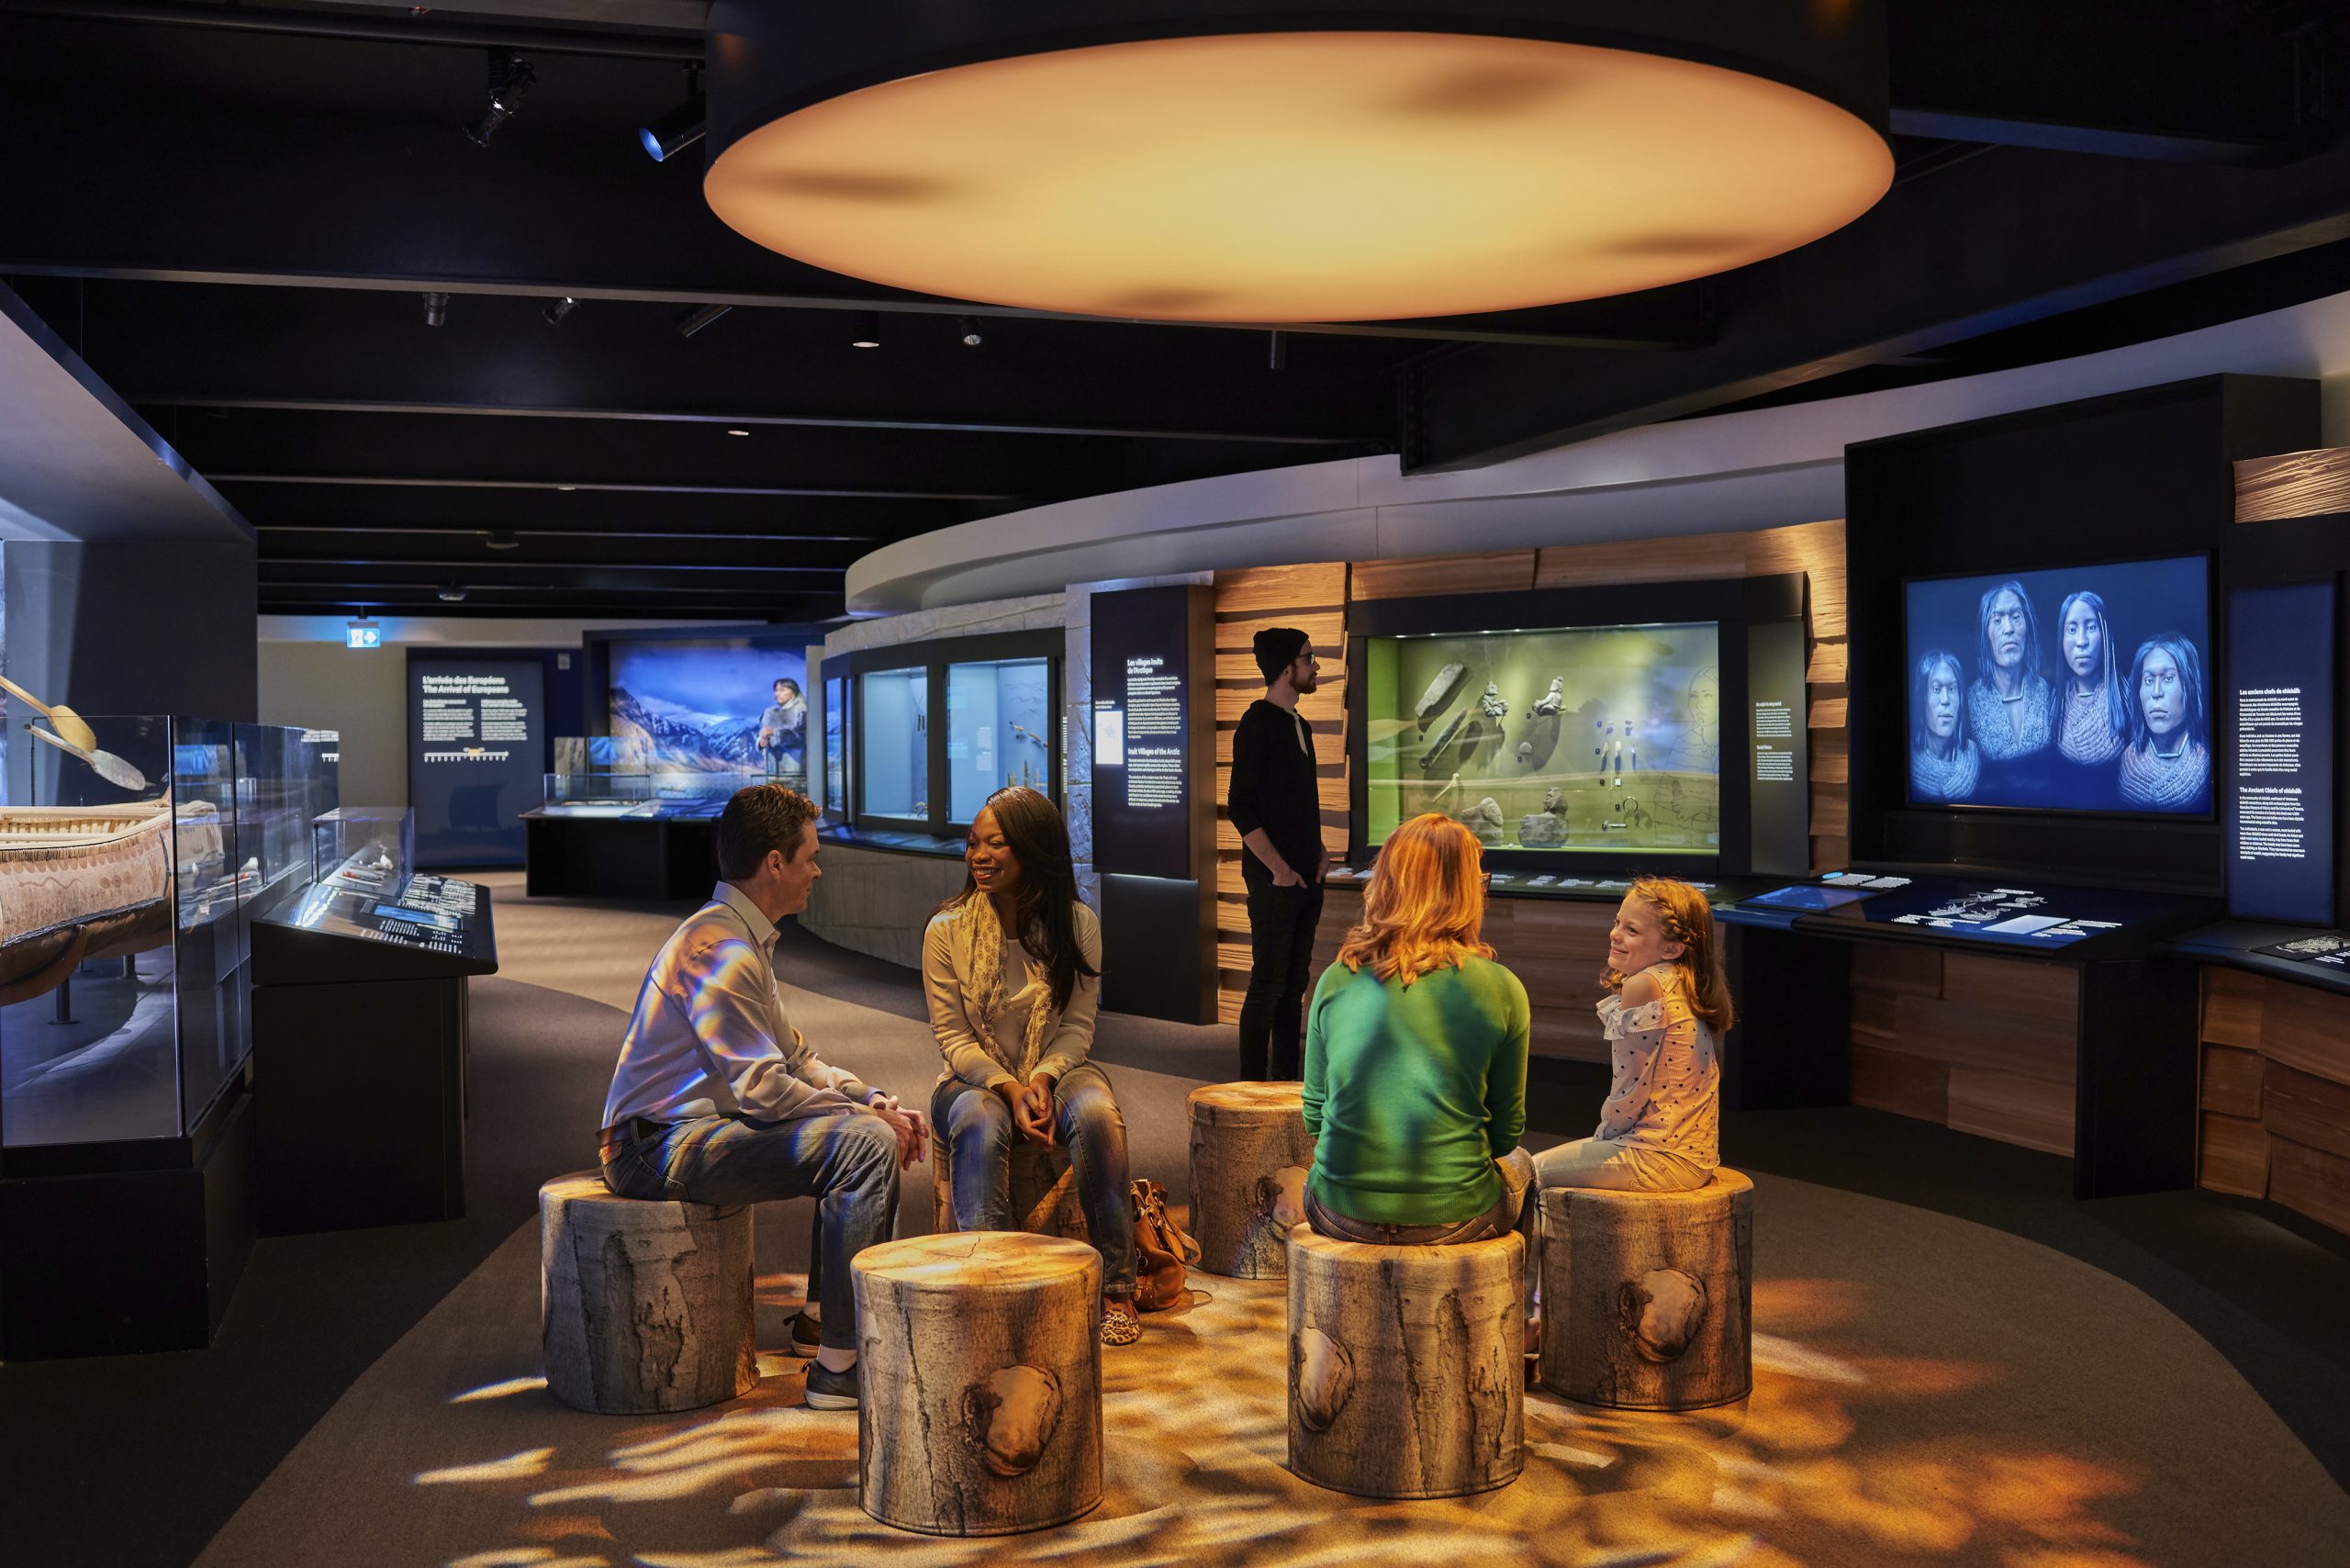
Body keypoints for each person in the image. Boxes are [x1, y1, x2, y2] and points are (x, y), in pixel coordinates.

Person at [599, 784, 927, 1410]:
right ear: (775, 863)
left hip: (689, 1130)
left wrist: (872, 1097)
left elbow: (799, 1060)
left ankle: (817, 1323)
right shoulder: (721, 951)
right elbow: (767, 1093)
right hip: (652, 1147)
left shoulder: (742, 938)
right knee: (860, 1147)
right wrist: (864, 1119)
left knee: (862, 1132)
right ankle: (840, 1365)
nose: (818, 869)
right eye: (810, 855)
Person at [924, 786, 1141, 1346]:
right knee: (980, 1122)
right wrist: (1009, 1086)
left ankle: (1117, 1287)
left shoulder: (1076, 923)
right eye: (973, 844)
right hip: (973, 1075)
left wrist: (1041, 1079)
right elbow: (953, 1037)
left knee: (1096, 1114)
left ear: (1032, 849)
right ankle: (995, 1282)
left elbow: (1077, 1026)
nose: (979, 856)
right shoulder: (945, 930)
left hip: (1058, 1065)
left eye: (996, 844)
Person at [1301, 812, 1532, 1248]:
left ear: (1383, 882)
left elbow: (1314, 1114)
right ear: (1468, 890)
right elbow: (1505, 1135)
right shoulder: (1503, 989)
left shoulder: (1336, 977)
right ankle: (1521, 1315)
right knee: (1526, 1169)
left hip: (1337, 1210)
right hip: (1455, 1216)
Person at [1536, 877, 1730, 1194]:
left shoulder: (1645, 986)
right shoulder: (1678, 979)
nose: (1615, 935)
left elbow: (1629, 1093)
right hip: (1692, 1154)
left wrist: (1602, 1139)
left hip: (1656, 1156)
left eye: (1632, 930)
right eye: (1617, 923)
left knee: (1528, 1173)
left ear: (1672, 947)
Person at [1228, 626, 1326, 1080]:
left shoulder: (1300, 725)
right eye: (1308, 658)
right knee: (1267, 986)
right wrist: (1280, 870)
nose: (1315, 666)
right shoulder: (1257, 723)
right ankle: (1248, 1092)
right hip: (1276, 882)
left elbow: (1297, 804)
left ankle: (1285, 1088)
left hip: (1307, 880)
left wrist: (1319, 852)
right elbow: (1241, 808)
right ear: (1287, 668)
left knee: (1294, 988)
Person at [2117, 632, 2211, 811]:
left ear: (2189, 686)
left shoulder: (2207, 767)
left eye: (2168, 678)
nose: (2156, 692)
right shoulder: (2128, 763)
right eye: (2149, 680)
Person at [1965, 580, 2053, 762]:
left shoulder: (2046, 692)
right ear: (1986, 634)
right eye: (1997, 620)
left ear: (2027, 625)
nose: (2009, 629)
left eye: (2016, 617)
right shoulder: (1970, 701)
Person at [2053, 590, 2128, 772]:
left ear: (2105, 634)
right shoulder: (2053, 703)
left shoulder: (2127, 700)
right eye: (2072, 629)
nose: (2081, 641)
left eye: (2091, 627)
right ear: (2061, 639)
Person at [1908, 648, 1981, 802]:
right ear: (1922, 698)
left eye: (1952, 689)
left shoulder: (1975, 757)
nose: (1945, 700)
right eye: (1936, 689)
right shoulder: (1910, 762)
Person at [757, 678, 806, 778]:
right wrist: (761, 742)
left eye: (782, 690)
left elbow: (801, 738)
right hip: (773, 773)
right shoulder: (770, 713)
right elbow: (762, 735)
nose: (777, 694)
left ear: (793, 692)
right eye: (776, 690)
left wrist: (775, 732)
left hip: (796, 773)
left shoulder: (801, 711)